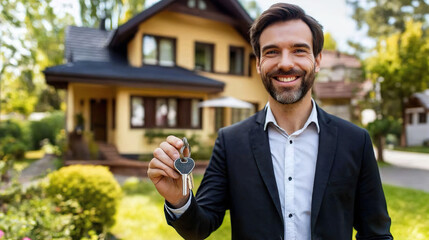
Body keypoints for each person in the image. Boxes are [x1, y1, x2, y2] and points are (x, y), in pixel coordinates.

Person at [147, 3, 393, 240]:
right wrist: (179, 199)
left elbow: (376, 233)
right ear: (258, 63)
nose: (285, 63)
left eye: (299, 50)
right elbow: (199, 228)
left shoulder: (354, 141)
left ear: (317, 61)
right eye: (272, 52)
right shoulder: (230, 142)